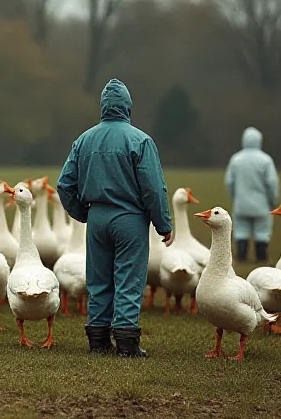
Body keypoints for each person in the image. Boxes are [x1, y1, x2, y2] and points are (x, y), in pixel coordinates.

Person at [56, 78, 173, 358]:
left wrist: (83, 213)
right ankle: (126, 343)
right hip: (130, 219)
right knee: (128, 279)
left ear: (103, 107)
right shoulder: (140, 140)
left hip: (97, 218)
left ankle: (97, 341)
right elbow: (153, 188)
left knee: (98, 280)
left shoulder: (83, 140)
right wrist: (163, 223)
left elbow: (64, 184)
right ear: (128, 107)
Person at [225, 127, 280, 262]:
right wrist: (273, 201)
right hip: (261, 204)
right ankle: (261, 258)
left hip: (241, 203)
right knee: (262, 232)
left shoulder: (236, 159)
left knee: (241, 231)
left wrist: (235, 197)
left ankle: (241, 257)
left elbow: (229, 182)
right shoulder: (265, 160)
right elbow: (272, 182)